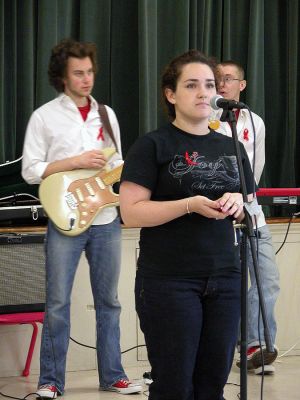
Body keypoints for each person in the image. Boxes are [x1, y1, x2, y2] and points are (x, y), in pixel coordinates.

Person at [119, 50, 255, 400]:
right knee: (175, 386)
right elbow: (131, 212)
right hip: (169, 280)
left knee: (213, 383)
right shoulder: (152, 145)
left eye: (209, 85)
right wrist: (189, 205)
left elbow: (246, 204)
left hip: (225, 277)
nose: (203, 93)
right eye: (191, 85)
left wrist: (239, 202)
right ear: (170, 93)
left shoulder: (232, 147)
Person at [21, 38, 142, 398]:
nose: (86, 79)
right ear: (62, 76)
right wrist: (74, 162)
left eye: (90, 71)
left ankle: (113, 376)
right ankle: (51, 381)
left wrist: (125, 169)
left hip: (105, 218)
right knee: (57, 303)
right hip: (64, 221)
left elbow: (117, 163)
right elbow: (30, 170)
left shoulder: (108, 114)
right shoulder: (44, 116)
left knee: (110, 302)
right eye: (78, 73)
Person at [213, 60, 280, 374]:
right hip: (219, 214)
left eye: (228, 78)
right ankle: (230, 349)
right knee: (228, 285)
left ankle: (257, 346)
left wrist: (246, 198)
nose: (222, 84)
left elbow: (257, 167)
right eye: (217, 79)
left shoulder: (255, 122)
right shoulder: (208, 121)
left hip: (252, 211)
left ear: (242, 84)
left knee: (267, 279)